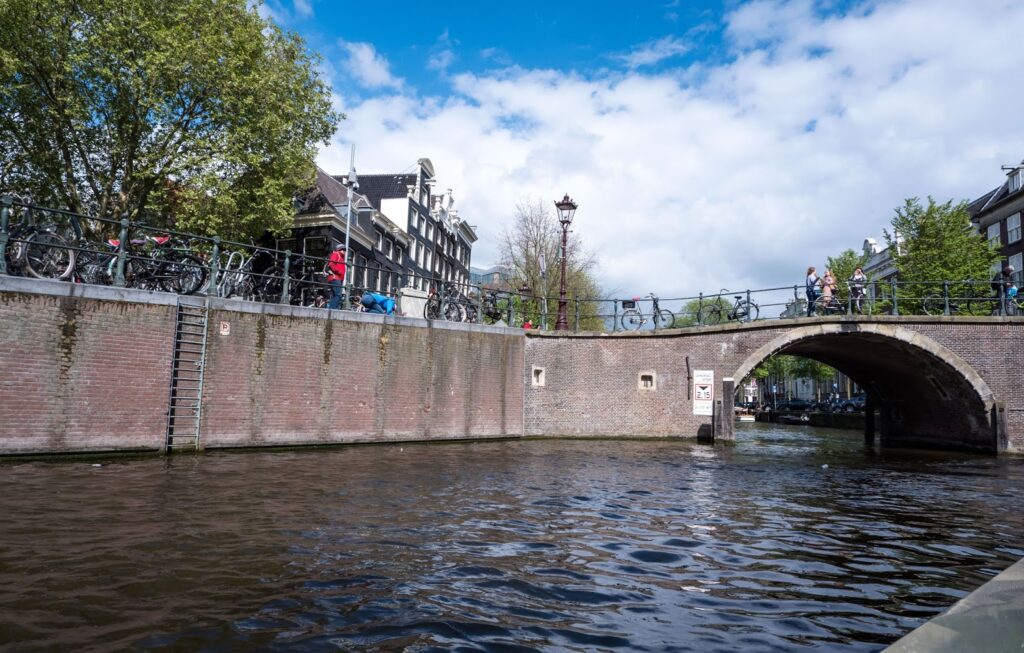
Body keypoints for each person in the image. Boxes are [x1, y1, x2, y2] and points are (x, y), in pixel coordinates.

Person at [326, 244, 347, 310]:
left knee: (334, 295)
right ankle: (333, 309)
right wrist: (338, 271)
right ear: (339, 250)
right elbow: (331, 264)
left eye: (344, 250)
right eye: (343, 250)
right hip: (335, 278)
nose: (344, 251)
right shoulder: (336, 254)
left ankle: (331, 309)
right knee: (338, 295)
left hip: (339, 279)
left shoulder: (341, 257)